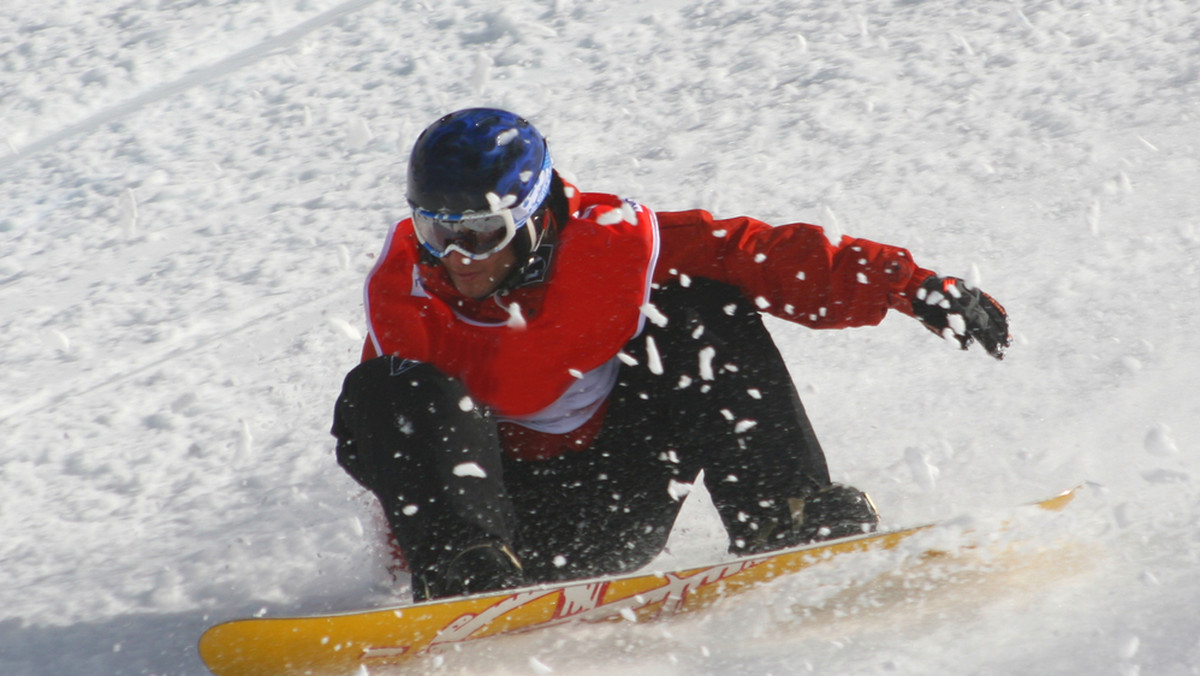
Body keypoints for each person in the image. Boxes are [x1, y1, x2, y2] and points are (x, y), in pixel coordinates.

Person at [331, 108, 1009, 601]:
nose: (454, 259)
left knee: (699, 304)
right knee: (386, 387)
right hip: (498, 531)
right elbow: (393, 445)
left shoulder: (615, 243)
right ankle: (468, 572)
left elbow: (759, 255)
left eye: (480, 234)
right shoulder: (407, 289)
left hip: (614, 503)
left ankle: (785, 514)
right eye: (433, 231)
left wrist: (911, 287)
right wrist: (418, 565)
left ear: (535, 220)